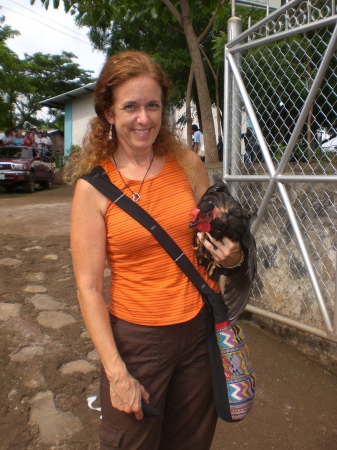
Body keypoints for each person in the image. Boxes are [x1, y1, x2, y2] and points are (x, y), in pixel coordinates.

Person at [68, 51, 246, 450]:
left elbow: (221, 232)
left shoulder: (187, 163)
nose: (144, 118)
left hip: (200, 330)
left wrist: (233, 257)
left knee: (191, 441)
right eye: (130, 106)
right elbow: (89, 289)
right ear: (108, 113)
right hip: (138, 342)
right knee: (130, 441)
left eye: (153, 106)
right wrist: (116, 373)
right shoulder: (93, 190)